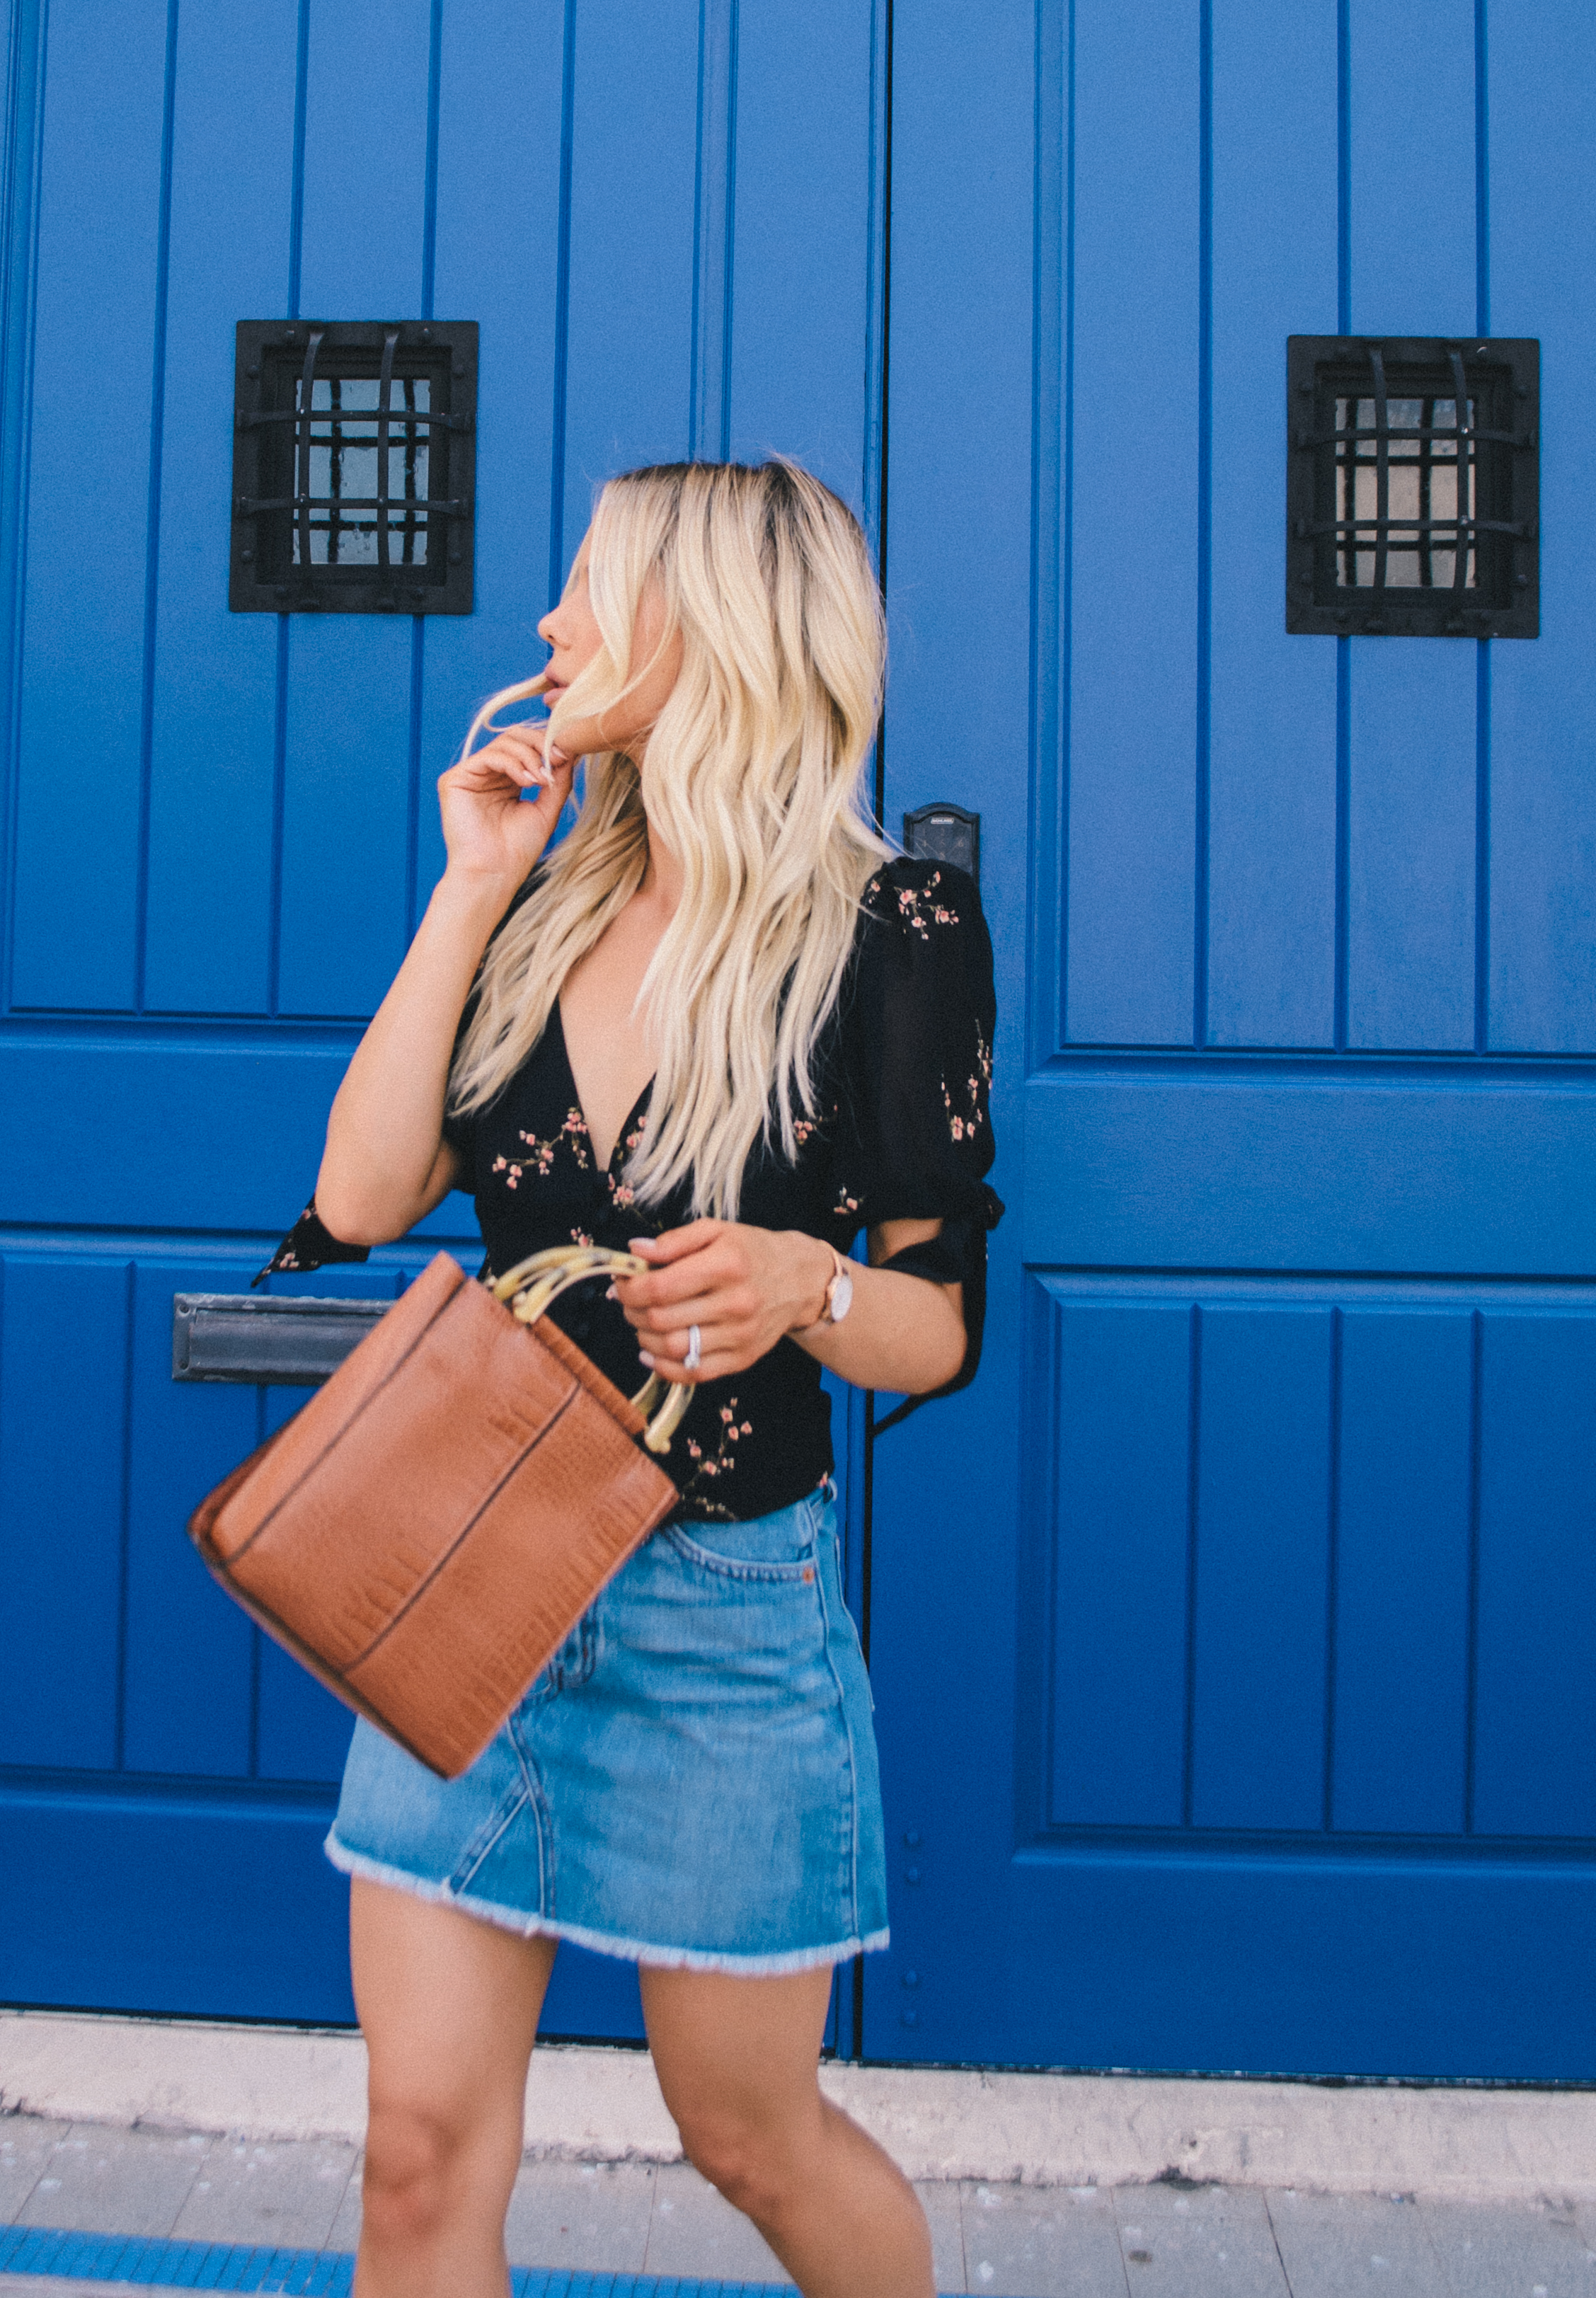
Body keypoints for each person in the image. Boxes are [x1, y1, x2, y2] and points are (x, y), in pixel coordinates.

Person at [302, 457, 999, 2298]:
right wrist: (468, 889)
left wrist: (804, 1284)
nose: (544, 625)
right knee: (416, 2157)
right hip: (470, 1588)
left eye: (587, 586)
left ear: (701, 626)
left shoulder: (891, 935)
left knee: (749, 2143)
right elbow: (362, 1199)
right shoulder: (531, 906)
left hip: (717, 1615)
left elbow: (935, 1333)